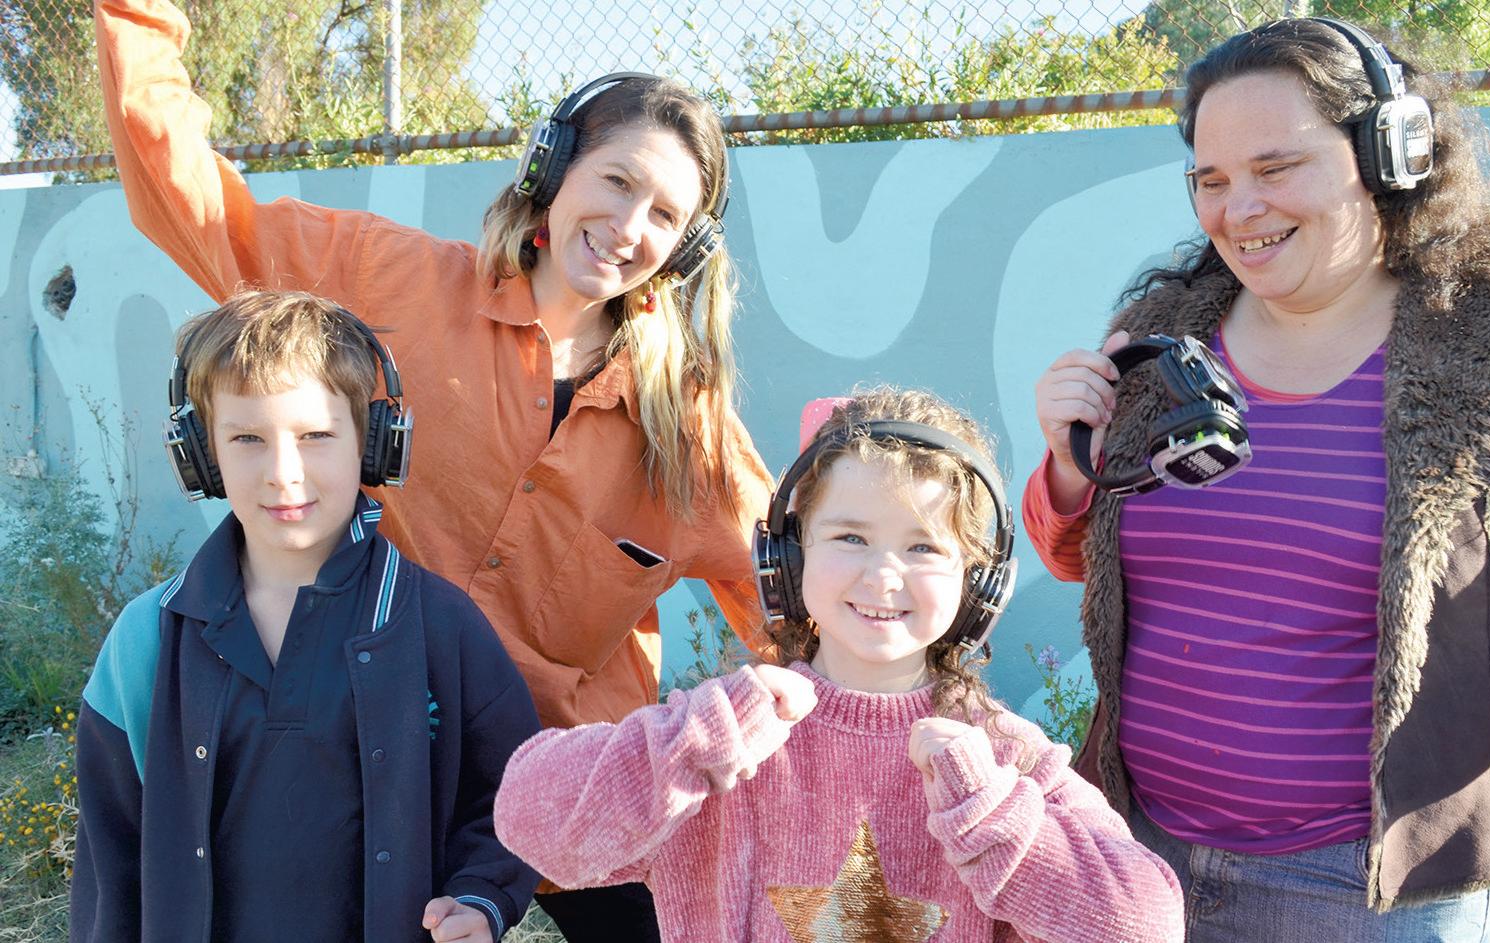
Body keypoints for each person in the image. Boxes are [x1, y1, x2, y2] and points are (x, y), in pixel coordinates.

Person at [95, 0, 774, 934]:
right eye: (616, 181)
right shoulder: (385, 280)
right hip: (380, 767)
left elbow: (796, 591)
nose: (627, 225)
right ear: (551, 169)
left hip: (579, 788)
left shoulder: (687, 429)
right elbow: (199, 208)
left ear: (686, 247)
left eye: (664, 213)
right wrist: (136, 16)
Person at [1026, 17, 1490, 941]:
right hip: (1138, 856)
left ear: (1389, 155)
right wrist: (1070, 471)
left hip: (1375, 891)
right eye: (1211, 180)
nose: (1238, 209)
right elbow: (1087, 560)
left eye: (1276, 167)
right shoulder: (1164, 337)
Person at [492, 389, 1187, 942]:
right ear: (788, 559)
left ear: (977, 583)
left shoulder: (1003, 760)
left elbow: (1148, 922)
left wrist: (993, 817)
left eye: (923, 547)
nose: (883, 575)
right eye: (851, 536)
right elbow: (526, 818)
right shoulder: (724, 735)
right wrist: (685, 746)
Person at [69, 290, 541, 943]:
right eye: (247, 438)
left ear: (372, 444)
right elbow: (111, 857)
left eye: (316, 435)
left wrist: (481, 896)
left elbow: (515, 790)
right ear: (202, 455)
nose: (282, 473)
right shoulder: (146, 639)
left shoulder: (438, 626)